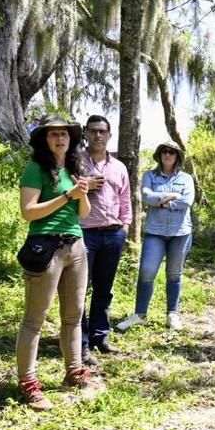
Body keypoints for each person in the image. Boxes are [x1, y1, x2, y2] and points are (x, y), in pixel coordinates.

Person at [16, 114, 101, 410]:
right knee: (34, 319)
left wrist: (82, 193)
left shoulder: (73, 169)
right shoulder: (35, 169)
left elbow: (82, 213)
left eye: (64, 134)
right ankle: (28, 383)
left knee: (74, 315)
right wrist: (67, 195)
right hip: (46, 246)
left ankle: (74, 372)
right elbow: (29, 212)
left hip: (75, 245)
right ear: (44, 139)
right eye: (53, 134)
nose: (60, 138)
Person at [117, 141, 195, 332]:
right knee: (147, 272)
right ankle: (140, 315)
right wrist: (171, 197)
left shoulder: (186, 178)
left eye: (172, 152)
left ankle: (172, 314)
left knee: (174, 274)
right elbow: (146, 196)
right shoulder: (150, 175)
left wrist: (160, 201)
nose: (168, 155)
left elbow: (187, 201)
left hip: (180, 232)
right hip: (155, 232)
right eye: (164, 152)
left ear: (177, 156)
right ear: (159, 155)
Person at [78, 115, 132, 366]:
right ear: (86, 134)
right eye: (93, 131)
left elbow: (125, 200)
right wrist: (85, 186)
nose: (98, 135)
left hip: (113, 234)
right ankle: (81, 343)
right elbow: (65, 193)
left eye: (102, 131)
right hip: (85, 233)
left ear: (109, 135)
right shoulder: (75, 162)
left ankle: (101, 336)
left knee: (104, 288)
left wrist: (125, 227)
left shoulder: (119, 167)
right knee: (80, 289)